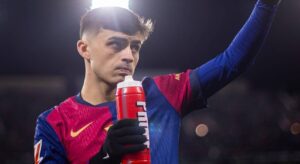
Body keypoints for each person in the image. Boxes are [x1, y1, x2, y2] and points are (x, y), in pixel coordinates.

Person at [34, 0, 282, 163]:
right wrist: (105, 159)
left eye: (135, 47)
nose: (128, 56)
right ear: (84, 48)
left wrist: (267, 5)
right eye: (116, 44)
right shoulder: (54, 123)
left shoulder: (162, 93)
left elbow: (231, 63)